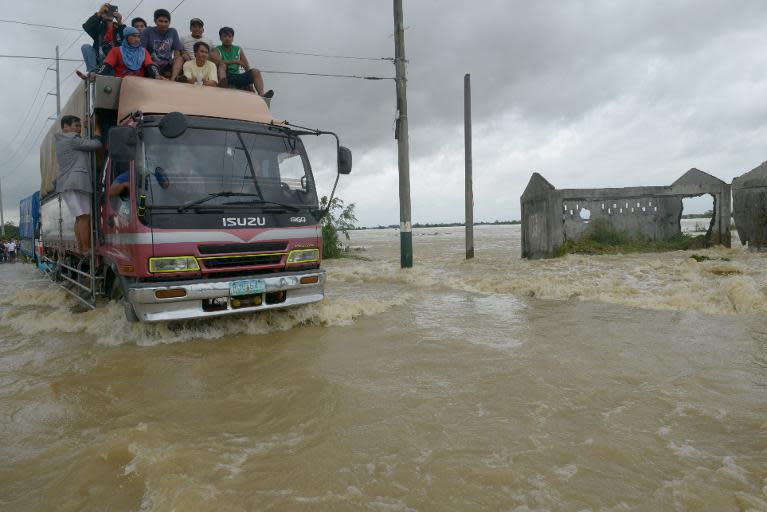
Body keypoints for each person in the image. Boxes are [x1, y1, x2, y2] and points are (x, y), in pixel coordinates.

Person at [55, 115, 102, 253]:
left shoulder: (63, 140)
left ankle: (82, 247)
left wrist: (88, 128)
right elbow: (96, 144)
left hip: (68, 184)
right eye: (76, 125)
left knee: (79, 217)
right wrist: (97, 126)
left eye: (80, 126)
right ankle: (86, 248)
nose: (79, 129)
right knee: (84, 217)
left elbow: (84, 143)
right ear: (66, 127)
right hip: (77, 183)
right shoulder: (72, 139)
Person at [212, 27, 273, 97]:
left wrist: (250, 84)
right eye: (225, 36)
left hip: (237, 76)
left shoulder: (238, 49)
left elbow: (246, 65)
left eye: (229, 36)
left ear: (232, 38)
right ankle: (223, 84)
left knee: (256, 71)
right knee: (222, 65)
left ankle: (262, 96)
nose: (227, 39)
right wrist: (236, 61)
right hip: (226, 76)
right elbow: (219, 61)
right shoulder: (216, 49)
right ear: (220, 38)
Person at [89, 27, 160, 79]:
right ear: (126, 37)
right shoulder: (116, 51)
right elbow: (107, 65)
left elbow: (150, 65)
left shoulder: (143, 51)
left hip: (140, 85)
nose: (137, 39)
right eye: (134, 36)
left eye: (138, 37)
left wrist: (156, 75)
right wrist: (97, 75)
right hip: (121, 84)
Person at [140, 8, 183, 79]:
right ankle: (157, 76)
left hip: (167, 64)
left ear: (169, 22)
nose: (163, 24)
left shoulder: (172, 31)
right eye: (160, 21)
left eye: (166, 21)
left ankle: (173, 79)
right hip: (151, 63)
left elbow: (177, 53)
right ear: (155, 21)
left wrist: (173, 62)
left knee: (180, 59)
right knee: (150, 65)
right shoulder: (148, 31)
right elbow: (142, 50)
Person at [81, 3, 125, 72]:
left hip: (116, 61)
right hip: (101, 60)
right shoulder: (99, 28)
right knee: (85, 47)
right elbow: (87, 26)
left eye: (110, 11)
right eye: (105, 12)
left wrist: (120, 22)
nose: (108, 13)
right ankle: (93, 72)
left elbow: (127, 39)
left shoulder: (118, 27)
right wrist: (99, 13)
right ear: (102, 15)